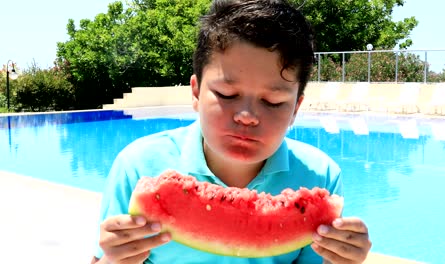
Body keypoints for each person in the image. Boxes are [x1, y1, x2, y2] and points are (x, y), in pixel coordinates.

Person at [91, 0, 372, 263]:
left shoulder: (320, 176)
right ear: (196, 92)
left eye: (272, 102)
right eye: (227, 94)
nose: (247, 116)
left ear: (295, 109)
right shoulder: (138, 166)